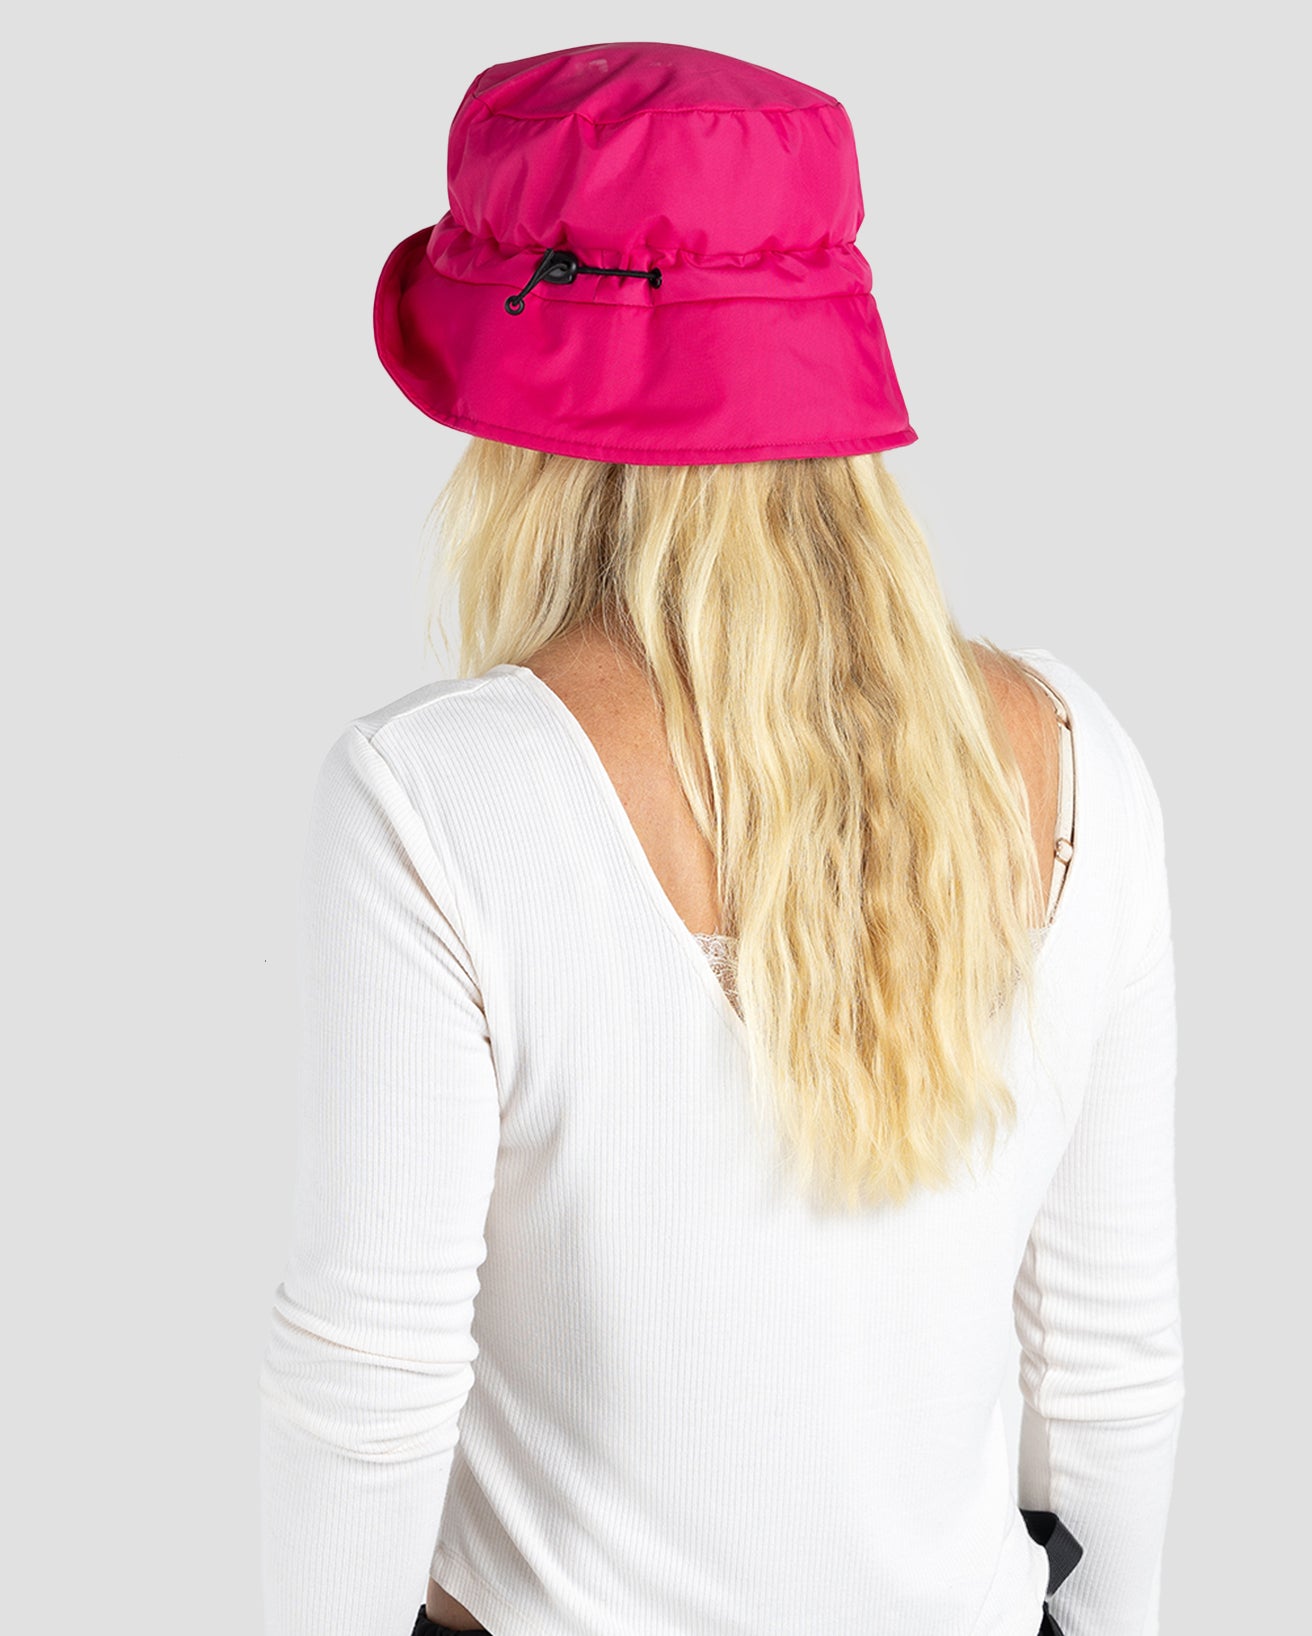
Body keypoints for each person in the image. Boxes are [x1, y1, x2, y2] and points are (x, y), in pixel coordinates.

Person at [258, 40, 1183, 1636]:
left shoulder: (431, 797)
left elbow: (367, 1393)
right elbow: (1106, 1365)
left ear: (519, 415)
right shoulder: (1077, 756)